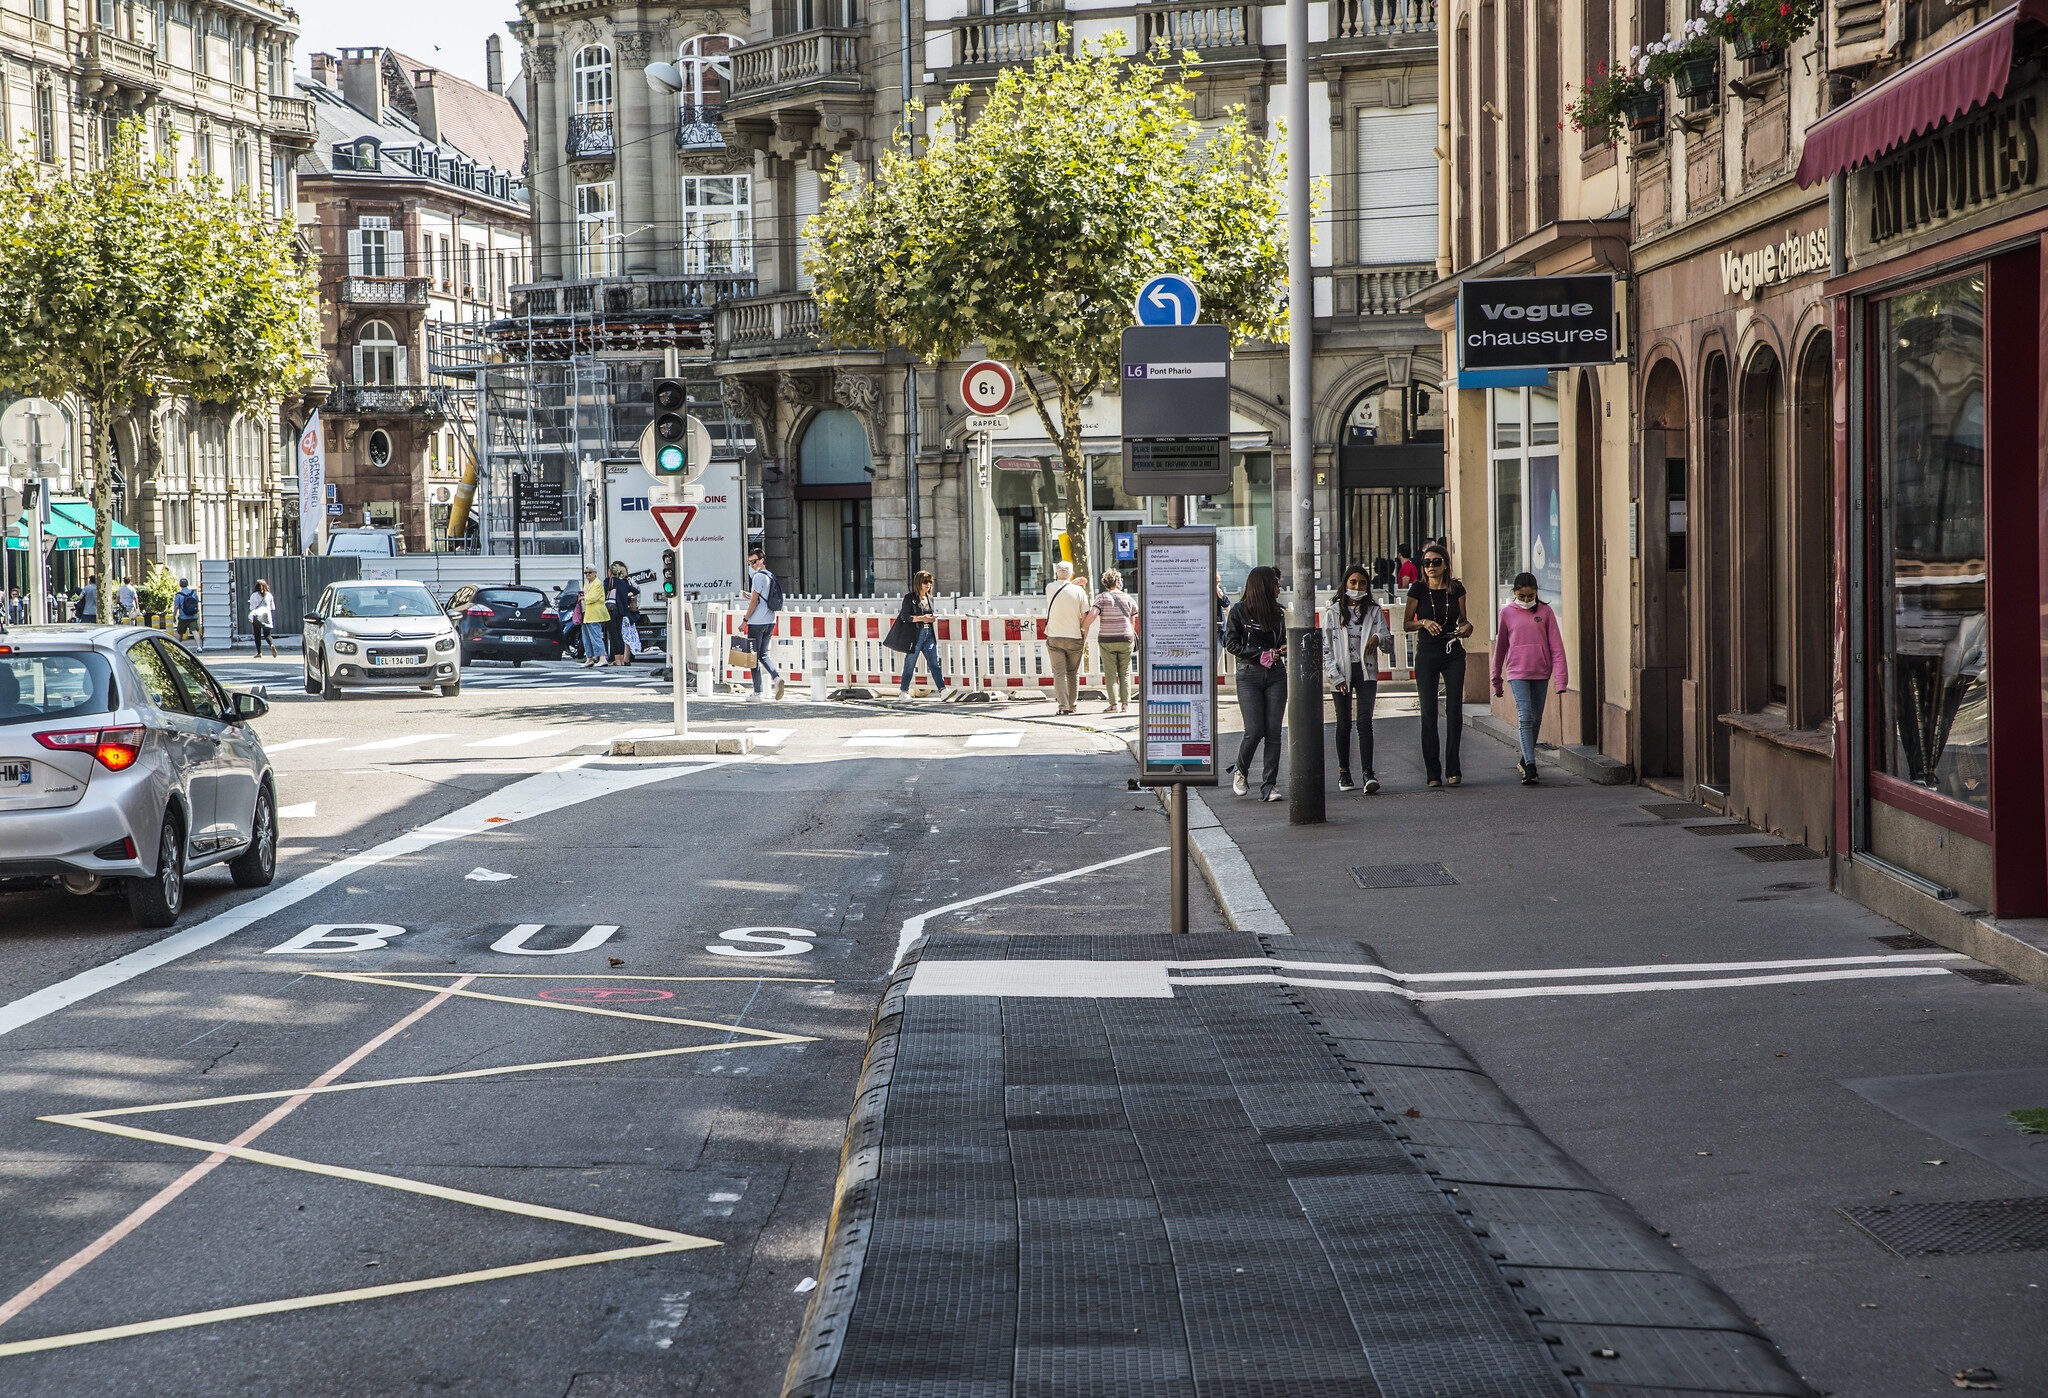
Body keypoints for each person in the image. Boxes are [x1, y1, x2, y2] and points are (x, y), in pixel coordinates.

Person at [1403, 543, 1472, 788]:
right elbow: (1406, 625)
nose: (1431, 566)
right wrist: (1422, 622)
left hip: (1453, 652)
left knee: (1454, 710)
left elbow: (1465, 623)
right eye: (1426, 562)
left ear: (1445, 564)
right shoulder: (1418, 589)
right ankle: (1433, 772)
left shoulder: (1457, 589)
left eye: (1436, 562)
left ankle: (1454, 769)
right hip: (1427, 654)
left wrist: (1466, 628)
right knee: (1429, 712)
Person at [1491, 571, 1569, 786]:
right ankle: (1531, 766)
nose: (1526, 600)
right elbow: (1501, 648)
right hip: (1517, 672)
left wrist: (1561, 679)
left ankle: (1525, 760)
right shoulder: (1506, 613)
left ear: (1536, 593)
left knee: (1535, 718)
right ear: (1515, 593)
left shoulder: (1546, 612)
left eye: (1530, 596)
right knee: (1525, 716)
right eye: (1522, 596)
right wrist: (1496, 678)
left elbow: (1557, 647)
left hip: (1540, 672)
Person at [1324, 564, 1392, 794]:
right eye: (1353, 582)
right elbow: (1325, 649)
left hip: (1366, 672)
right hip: (1342, 672)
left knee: (1365, 722)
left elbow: (1389, 642)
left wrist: (1378, 637)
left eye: (1362, 583)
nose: (1357, 587)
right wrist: (1335, 676)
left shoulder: (1374, 611)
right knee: (1344, 724)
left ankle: (1368, 773)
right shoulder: (1333, 612)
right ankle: (1344, 772)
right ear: (1345, 584)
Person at [1224, 565, 1288, 802]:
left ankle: (1269, 785)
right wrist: (1259, 652)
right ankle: (1241, 770)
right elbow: (1230, 644)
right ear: (1263, 585)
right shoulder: (1239, 612)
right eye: (1275, 583)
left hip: (1276, 675)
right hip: (1249, 674)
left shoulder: (1278, 613)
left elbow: (1281, 641)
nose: (1279, 588)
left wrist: (1282, 649)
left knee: (1274, 732)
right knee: (1254, 730)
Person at [1042, 560, 1093, 715]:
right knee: (1072, 673)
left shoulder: (1049, 588)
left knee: (1059, 673)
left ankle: (1062, 706)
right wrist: (1084, 636)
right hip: (1074, 636)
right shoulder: (1079, 592)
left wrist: (1072, 581)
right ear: (1072, 574)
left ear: (1056, 574)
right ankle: (1072, 705)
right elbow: (1085, 615)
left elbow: (1063, 587)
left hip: (1055, 636)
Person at [1092, 569, 1139, 714]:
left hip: (1107, 639)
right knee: (1125, 672)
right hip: (1126, 638)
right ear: (1118, 582)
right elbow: (1133, 619)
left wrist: (1083, 627)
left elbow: (1094, 613)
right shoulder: (1128, 598)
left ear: (1106, 583)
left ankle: (1113, 705)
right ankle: (1126, 705)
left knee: (1111, 673)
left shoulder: (1102, 598)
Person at [741, 545, 785, 701]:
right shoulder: (770, 575)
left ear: (761, 560)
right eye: (750, 563)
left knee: (753, 657)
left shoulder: (758, 577)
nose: (752, 565)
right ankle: (776, 678)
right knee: (763, 654)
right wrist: (751, 597)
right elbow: (759, 598)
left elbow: (754, 602)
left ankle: (757, 693)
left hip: (757, 622)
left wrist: (745, 620)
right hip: (770, 620)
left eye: (754, 562)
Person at [895, 570, 946, 699]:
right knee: (910, 663)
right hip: (916, 635)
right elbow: (904, 616)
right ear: (918, 583)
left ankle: (943, 690)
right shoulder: (910, 598)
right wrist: (921, 618)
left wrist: (930, 619)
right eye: (925, 582)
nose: (928, 584)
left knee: (934, 663)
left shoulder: (930, 598)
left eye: (930, 582)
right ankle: (903, 691)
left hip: (929, 634)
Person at [605, 561, 636, 666]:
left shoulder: (608, 581)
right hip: (621, 611)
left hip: (610, 610)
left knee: (613, 636)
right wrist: (626, 595)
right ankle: (621, 660)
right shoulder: (623, 583)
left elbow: (603, 594)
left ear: (610, 572)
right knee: (619, 635)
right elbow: (635, 590)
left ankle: (617, 659)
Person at [577, 566, 609, 668]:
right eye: (585, 573)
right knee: (586, 637)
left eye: (589, 572)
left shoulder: (598, 583)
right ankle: (589, 658)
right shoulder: (587, 584)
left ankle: (602, 657)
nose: (587, 575)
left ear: (595, 573)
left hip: (594, 613)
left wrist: (583, 597)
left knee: (596, 636)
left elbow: (594, 597)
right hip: (585, 613)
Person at [247, 579, 279, 656]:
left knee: (257, 635)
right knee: (267, 634)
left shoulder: (254, 595)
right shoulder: (269, 595)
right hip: (267, 616)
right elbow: (272, 608)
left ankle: (259, 653)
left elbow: (252, 608)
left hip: (257, 615)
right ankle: (271, 644)